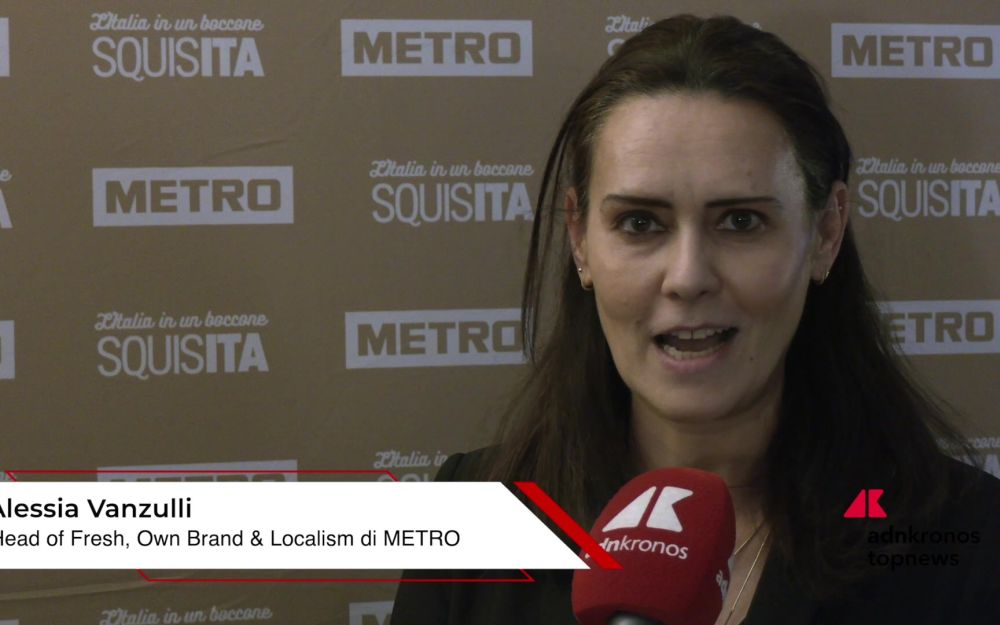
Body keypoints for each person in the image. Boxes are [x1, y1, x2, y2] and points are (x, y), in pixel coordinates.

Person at [392, 14, 1000, 625]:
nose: (687, 277)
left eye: (740, 221)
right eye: (640, 223)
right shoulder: (473, 516)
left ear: (826, 232)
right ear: (580, 239)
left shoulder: (968, 538)